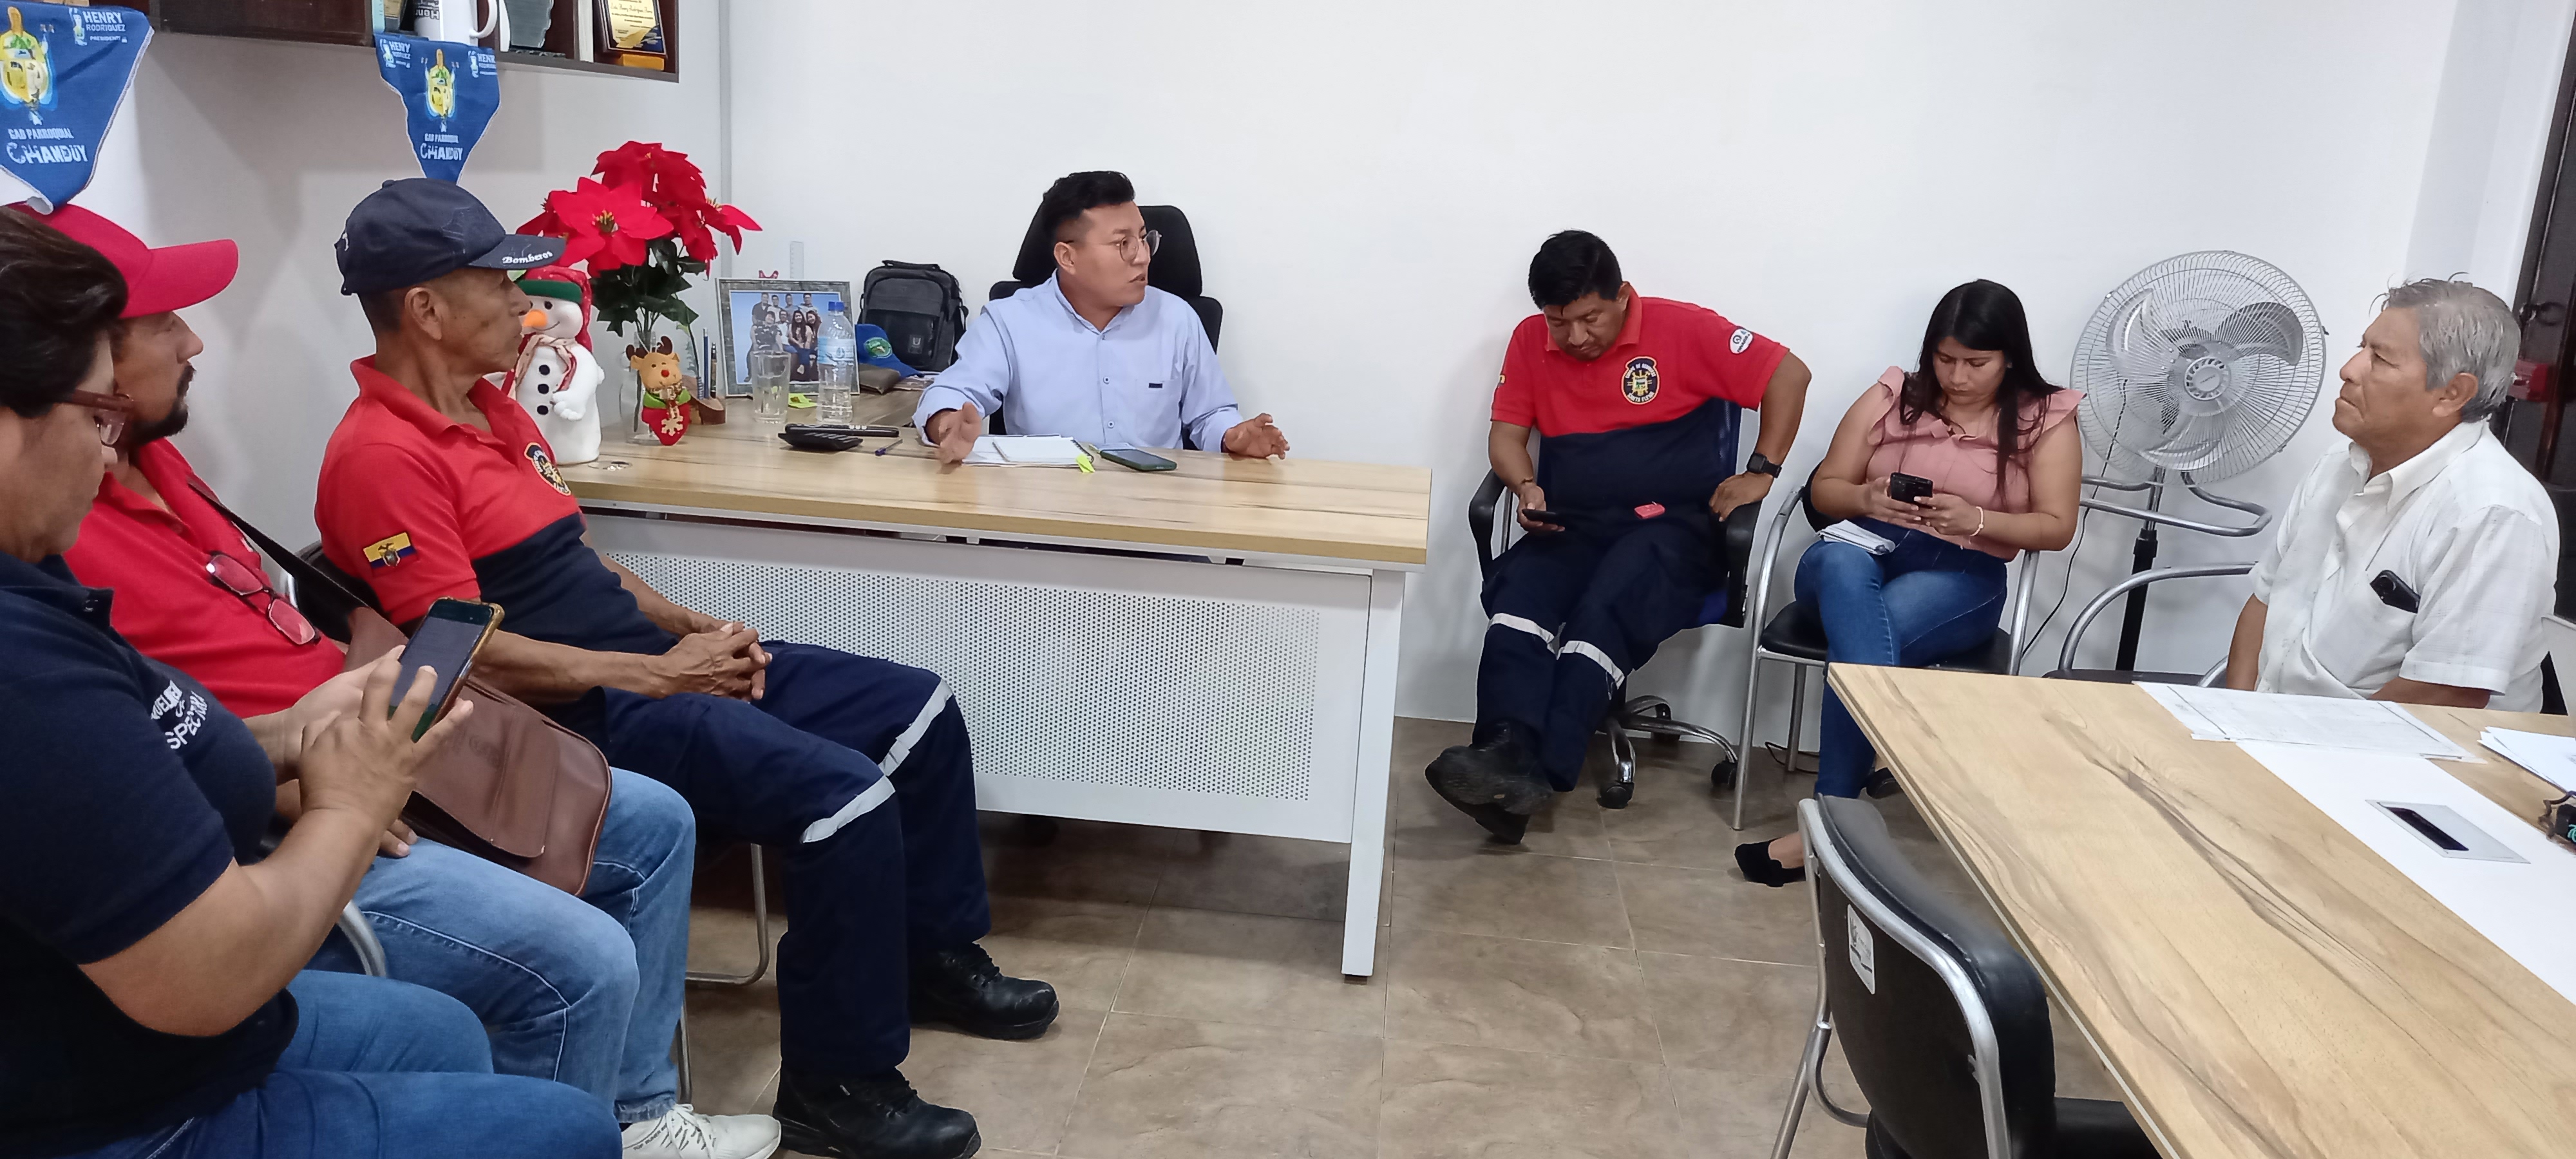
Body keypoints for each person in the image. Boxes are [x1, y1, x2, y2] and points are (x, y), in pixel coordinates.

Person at [313, 178, 1052, 1159]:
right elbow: (466, 655)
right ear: (426, 309)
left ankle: (929, 955)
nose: (524, 304)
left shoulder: (494, 409)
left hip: (647, 665)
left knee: (916, 711)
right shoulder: (378, 455)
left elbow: (579, 563)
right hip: (573, 720)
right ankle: (835, 1084)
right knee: (842, 799)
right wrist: (658, 676)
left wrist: (694, 628)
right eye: (499, 284)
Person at [30, 203, 779, 1159]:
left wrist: (342, 710)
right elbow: (135, 757)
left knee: (657, 819)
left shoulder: (159, 462)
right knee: (583, 957)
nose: (196, 342)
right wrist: (321, 784)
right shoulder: (57, 540)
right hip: (298, 805)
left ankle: (639, 1113)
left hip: (361, 735)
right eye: (160, 325)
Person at [1425, 231, 1813, 842]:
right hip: (1575, 523)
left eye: (1590, 319)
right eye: (1559, 323)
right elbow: (1506, 437)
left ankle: (1536, 774)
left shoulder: (1683, 329)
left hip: (1672, 528)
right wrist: (1526, 486)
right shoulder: (1529, 341)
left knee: (1607, 605)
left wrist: (1761, 472)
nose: (1575, 337)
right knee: (1520, 600)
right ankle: (1502, 750)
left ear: (1623, 296)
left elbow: (1789, 373)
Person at [1734, 280, 2080, 886]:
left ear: (2010, 357)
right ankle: (1843, 821)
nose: (1958, 377)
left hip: (1962, 570)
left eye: (1976, 363)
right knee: (1843, 571)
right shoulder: (1892, 396)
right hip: (1858, 549)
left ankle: (1827, 825)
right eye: (1945, 359)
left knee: (1871, 629)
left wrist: (1977, 520)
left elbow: (2056, 527)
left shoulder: (2044, 418)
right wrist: (1865, 498)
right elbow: (1826, 490)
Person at [2224, 279, 2557, 710]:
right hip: (2271, 724)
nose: (2349, 369)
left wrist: (2281, 738)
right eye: (2361, 348)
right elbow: (2264, 601)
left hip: (2396, 743)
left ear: (2452, 394)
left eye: (2379, 359)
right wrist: (2235, 716)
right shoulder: (2337, 464)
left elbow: (2446, 693)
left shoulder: (2492, 511)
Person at [915, 170, 1289, 462]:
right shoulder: (1009, 322)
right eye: (1123, 244)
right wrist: (946, 424)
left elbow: (1210, 415)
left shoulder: (1177, 318)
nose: (1143, 256)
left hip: (1156, 511)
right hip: (1045, 512)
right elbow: (952, 392)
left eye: (1144, 239)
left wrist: (1232, 436)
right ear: (1068, 257)